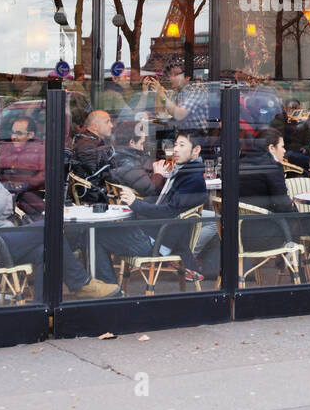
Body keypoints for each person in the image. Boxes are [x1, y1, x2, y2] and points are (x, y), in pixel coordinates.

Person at [0, 120, 120, 299]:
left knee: (47, 250)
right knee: (49, 227)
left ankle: (42, 307)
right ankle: (82, 284)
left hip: (0, 236)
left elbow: (7, 202)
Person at [94, 130, 211, 285]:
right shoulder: (184, 172)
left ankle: (110, 289)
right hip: (153, 233)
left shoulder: (192, 179)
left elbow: (168, 212)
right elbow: (161, 202)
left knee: (96, 236)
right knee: (98, 233)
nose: (175, 149)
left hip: (156, 240)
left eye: (182, 145)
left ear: (196, 150)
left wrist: (136, 203)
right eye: (175, 144)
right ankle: (109, 287)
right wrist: (134, 204)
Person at [238, 128, 310, 253]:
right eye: (282, 146)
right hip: (264, 235)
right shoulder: (272, 167)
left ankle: (292, 258)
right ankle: (296, 265)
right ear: (271, 148)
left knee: (298, 219)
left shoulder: (239, 163)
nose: (284, 150)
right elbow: (282, 204)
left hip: (237, 233)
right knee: (299, 221)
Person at [0, 115, 46, 218]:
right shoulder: (6, 148)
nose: (13, 137)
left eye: (18, 133)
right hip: (6, 193)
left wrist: (22, 186)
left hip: (31, 193)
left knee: (25, 198)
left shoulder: (41, 149)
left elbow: (43, 176)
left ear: (30, 135)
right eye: (12, 132)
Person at [149, 61, 212, 127]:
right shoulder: (176, 92)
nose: (171, 78)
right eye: (170, 75)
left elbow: (179, 115)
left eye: (176, 74)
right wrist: (159, 95)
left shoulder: (197, 89)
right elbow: (163, 114)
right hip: (181, 132)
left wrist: (161, 94)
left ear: (187, 78)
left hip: (196, 134)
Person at [110, 118, 160, 196]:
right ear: (132, 142)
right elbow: (150, 191)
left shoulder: (117, 156)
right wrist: (158, 174)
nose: (142, 148)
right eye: (142, 143)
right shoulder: (129, 164)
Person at [71, 109, 116, 180]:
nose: (111, 125)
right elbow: (97, 175)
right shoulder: (87, 146)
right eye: (107, 122)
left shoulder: (95, 142)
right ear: (94, 127)